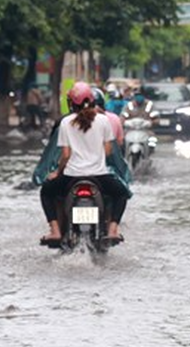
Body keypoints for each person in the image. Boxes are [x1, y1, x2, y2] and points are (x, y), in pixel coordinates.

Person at [40, 82, 129, 242]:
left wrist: (57, 173)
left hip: (71, 177)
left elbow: (65, 155)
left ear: (71, 104)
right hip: (100, 177)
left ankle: (55, 231)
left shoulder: (66, 122)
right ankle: (113, 230)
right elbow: (109, 151)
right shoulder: (103, 121)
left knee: (46, 191)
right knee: (121, 193)